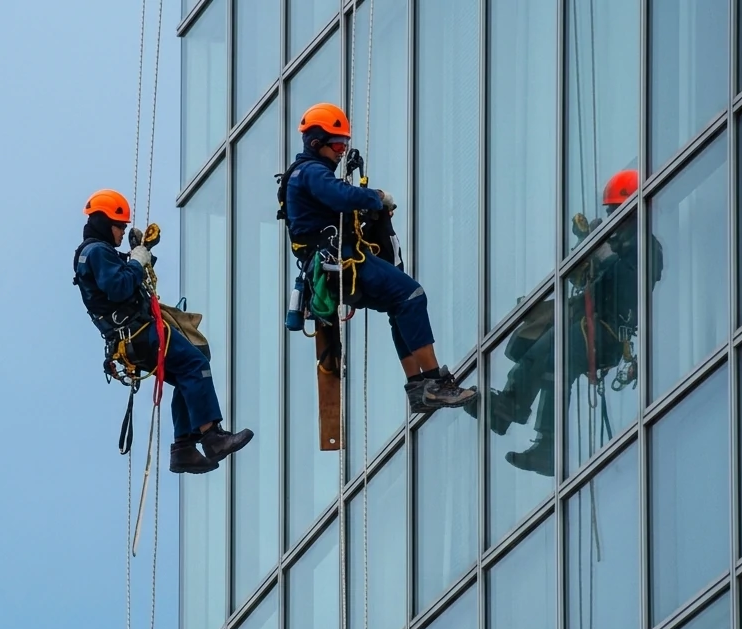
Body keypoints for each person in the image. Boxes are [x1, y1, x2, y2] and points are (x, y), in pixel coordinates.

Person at [280, 102, 478, 414]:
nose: (341, 151)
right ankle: (432, 384)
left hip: (336, 266)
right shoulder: (311, 172)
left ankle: (419, 387)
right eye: (336, 144)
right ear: (316, 142)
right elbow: (342, 197)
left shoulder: (305, 175)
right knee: (411, 295)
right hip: (342, 262)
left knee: (400, 305)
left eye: (344, 145)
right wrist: (376, 197)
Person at [476, 168, 663, 476]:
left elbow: (626, 287)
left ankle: (534, 431)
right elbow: (583, 277)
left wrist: (600, 251)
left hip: (606, 333)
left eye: (615, 211)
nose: (611, 217)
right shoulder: (617, 245)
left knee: (555, 358)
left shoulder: (646, 248)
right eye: (610, 212)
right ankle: (513, 412)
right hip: (587, 324)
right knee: (543, 355)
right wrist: (587, 250)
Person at [73, 189, 253, 474]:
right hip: (139, 335)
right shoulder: (96, 252)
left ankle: (183, 449)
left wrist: (141, 253)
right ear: (104, 222)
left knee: (186, 373)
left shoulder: (96, 254)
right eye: (119, 226)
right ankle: (212, 437)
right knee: (195, 363)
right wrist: (135, 260)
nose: (122, 231)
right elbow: (119, 286)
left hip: (133, 340)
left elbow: (124, 276)